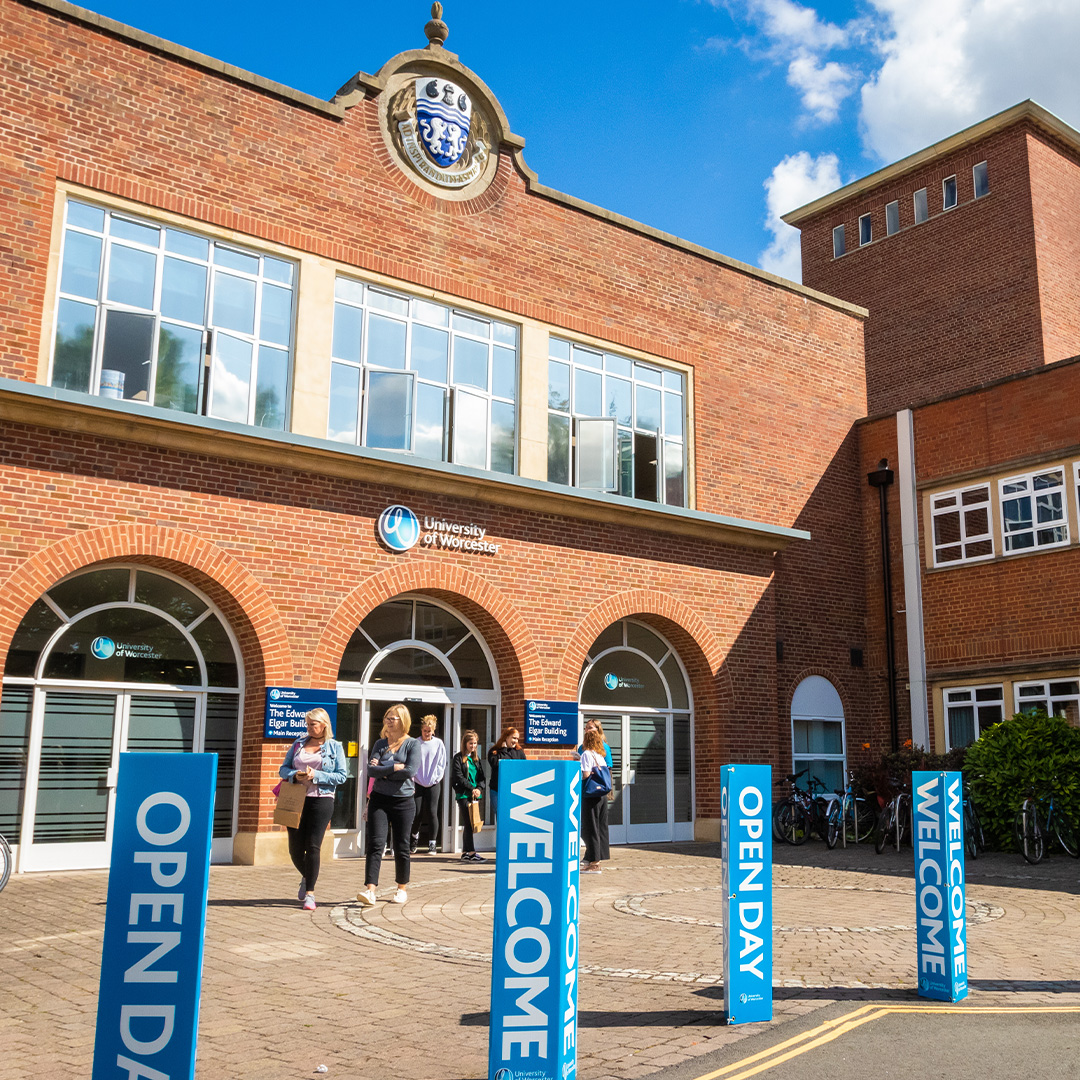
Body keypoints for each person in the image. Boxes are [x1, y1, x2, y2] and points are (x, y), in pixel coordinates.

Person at [278, 707, 347, 911]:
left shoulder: (334, 747)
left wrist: (316, 775)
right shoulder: (299, 744)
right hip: (296, 798)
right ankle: (307, 875)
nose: (309, 728)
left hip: (322, 799)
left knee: (313, 845)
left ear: (324, 725)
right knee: (295, 848)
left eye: (313, 724)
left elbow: (341, 776)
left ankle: (310, 894)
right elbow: (283, 768)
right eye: (307, 724)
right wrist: (295, 774)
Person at [356, 704, 421, 907]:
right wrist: (393, 767)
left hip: (404, 801)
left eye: (393, 718)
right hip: (379, 799)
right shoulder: (379, 744)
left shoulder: (412, 745)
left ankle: (401, 888)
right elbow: (371, 770)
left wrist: (383, 770)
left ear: (403, 721)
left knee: (401, 846)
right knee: (376, 844)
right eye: (387, 717)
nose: (389, 721)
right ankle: (370, 890)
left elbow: (410, 771)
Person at [412, 713, 447, 854]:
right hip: (417, 781)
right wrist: (414, 778)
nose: (427, 733)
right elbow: (412, 762)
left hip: (433, 783)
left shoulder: (438, 743)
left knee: (432, 812)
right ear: (421, 730)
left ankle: (432, 843)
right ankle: (414, 837)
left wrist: (436, 778)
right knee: (417, 813)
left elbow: (442, 763)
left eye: (429, 731)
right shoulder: (415, 743)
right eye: (425, 731)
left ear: (433, 730)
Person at [451, 729, 486, 862]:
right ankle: (471, 853)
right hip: (463, 795)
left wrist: (479, 789)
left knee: (469, 823)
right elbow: (459, 777)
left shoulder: (476, 759)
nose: (473, 746)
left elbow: (482, 778)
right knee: (469, 823)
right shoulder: (458, 758)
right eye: (470, 743)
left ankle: (465, 852)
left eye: (475, 743)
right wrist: (472, 788)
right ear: (465, 743)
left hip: (474, 795)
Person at [579, 727, 610, 874]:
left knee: (589, 829)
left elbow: (585, 774)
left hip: (590, 795)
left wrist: (576, 775)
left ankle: (594, 864)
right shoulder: (600, 755)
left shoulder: (586, 754)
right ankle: (596, 860)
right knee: (600, 828)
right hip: (602, 796)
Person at [487, 727, 525, 820]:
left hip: (514, 790)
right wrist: (503, 749)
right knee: (500, 817)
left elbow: (523, 768)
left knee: (511, 818)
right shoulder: (494, 751)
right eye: (513, 738)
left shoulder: (519, 752)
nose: (515, 741)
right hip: (497, 790)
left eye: (517, 739)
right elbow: (496, 764)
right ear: (506, 737)